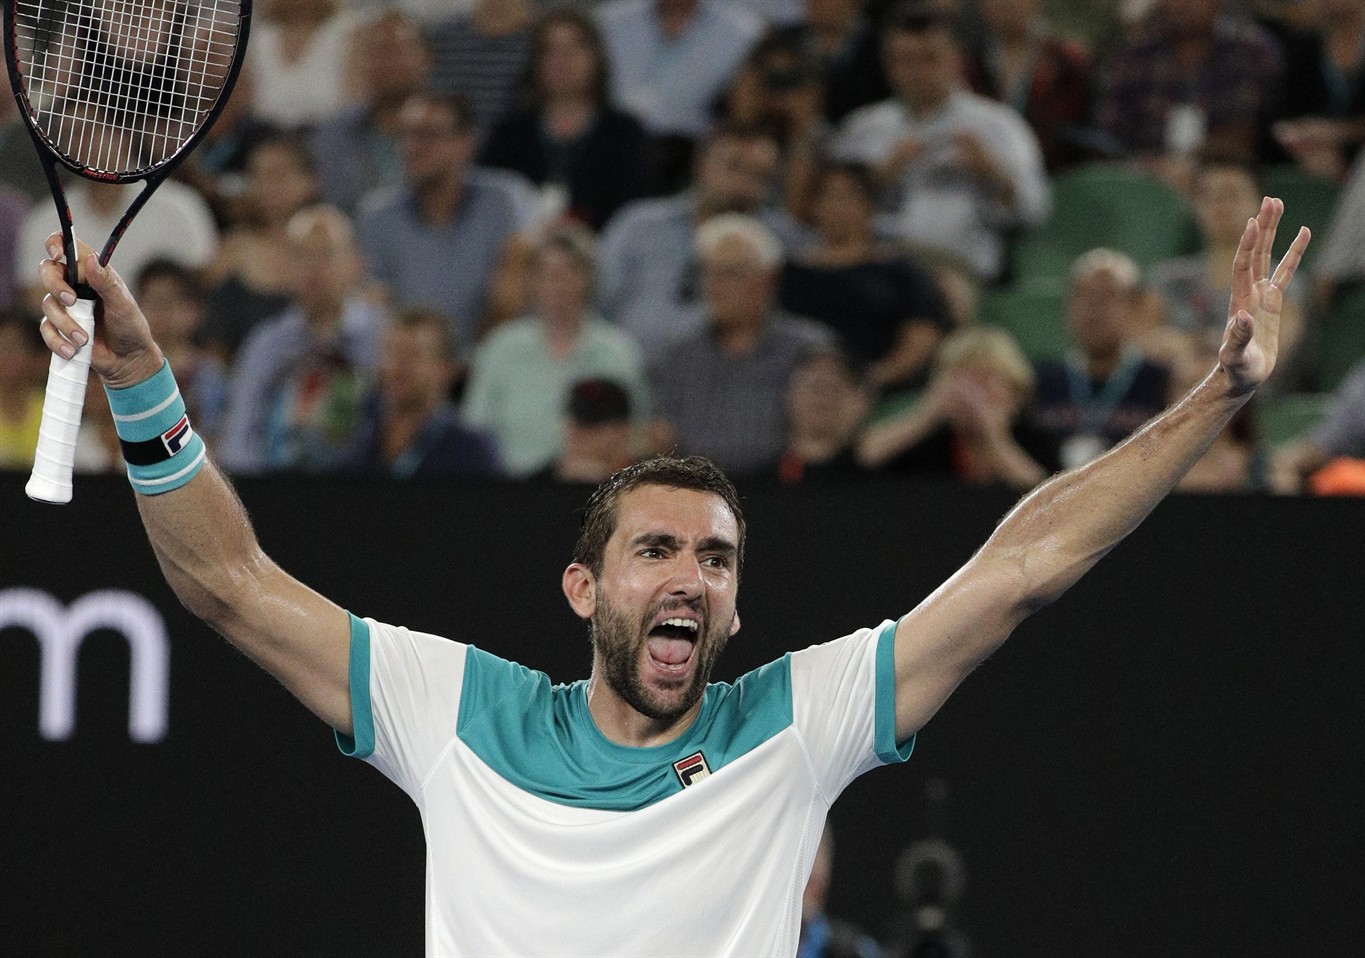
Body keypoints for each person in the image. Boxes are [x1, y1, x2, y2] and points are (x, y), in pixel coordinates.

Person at [32, 198, 1309, 954]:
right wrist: (140, 375)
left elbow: (1024, 562)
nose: (690, 575)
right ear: (585, 589)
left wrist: (1217, 396)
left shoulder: (795, 725)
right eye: (656, 549)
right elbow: (228, 585)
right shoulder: (452, 710)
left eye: (716, 556)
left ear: (739, 605)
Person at [830, 2, 1051, 282]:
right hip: (871, 265)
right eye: (902, 60)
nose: (915, 72)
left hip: (952, 269)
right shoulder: (864, 128)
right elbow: (824, 213)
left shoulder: (997, 126)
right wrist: (875, 180)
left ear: (957, 60)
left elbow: (1035, 209)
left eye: (928, 59)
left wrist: (993, 173)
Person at [650, 213, 835, 477]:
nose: (715, 286)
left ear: (768, 280)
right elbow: (661, 434)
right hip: (701, 494)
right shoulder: (678, 353)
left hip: (787, 491)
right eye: (708, 272)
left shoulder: (808, 350)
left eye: (730, 273)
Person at [461, 225, 651, 476]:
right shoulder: (500, 347)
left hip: (594, 489)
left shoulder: (618, 352)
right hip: (509, 492)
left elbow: (637, 436)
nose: (556, 283)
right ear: (531, 281)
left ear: (588, 279)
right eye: (545, 273)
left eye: (568, 272)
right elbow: (474, 434)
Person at [356, 90, 536, 353]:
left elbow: (513, 294)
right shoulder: (377, 216)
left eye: (430, 135)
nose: (414, 147)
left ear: (466, 143)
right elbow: (373, 305)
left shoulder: (504, 201)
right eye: (407, 135)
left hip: (494, 360)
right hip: (411, 367)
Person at [216, 206, 386, 474]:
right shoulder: (266, 343)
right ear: (286, 267)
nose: (313, 268)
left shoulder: (381, 336)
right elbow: (240, 434)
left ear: (355, 264)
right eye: (301, 256)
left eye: (326, 254)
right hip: (279, 487)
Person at [478, 8, 651, 231]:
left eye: (575, 49)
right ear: (535, 61)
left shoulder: (624, 132)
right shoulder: (509, 132)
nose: (563, 60)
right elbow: (491, 202)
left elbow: (632, 207)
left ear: (596, 57)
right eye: (551, 51)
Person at [1027, 249, 1175, 472]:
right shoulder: (1041, 381)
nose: (1093, 309)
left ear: (1133, 307)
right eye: (1084, 296)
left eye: (1107, 297)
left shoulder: (1161, 381)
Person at [857, 326, 1048, 488]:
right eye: (965, 382)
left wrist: (994, 437)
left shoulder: (1037, 440)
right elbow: (865, 456)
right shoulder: (930, 445)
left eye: (988, 382)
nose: (975, 397)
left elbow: (1046, 496)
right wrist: (927, 415)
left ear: (1016, 393)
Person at [346, 307, 503, 478]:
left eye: (413, 355)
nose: (397, 366)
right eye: (391, 352)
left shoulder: (472, 452)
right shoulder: (357, 435)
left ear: (446, 370)